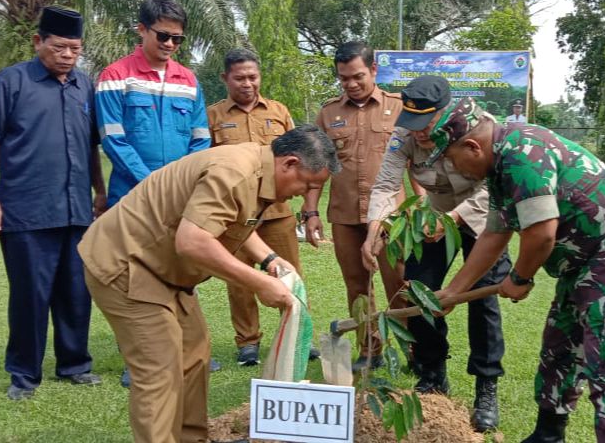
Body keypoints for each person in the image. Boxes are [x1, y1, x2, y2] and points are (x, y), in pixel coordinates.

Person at [78, 125, 339, 443]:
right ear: (290, 163)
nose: (303, 195)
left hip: (166, 272)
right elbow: (193, 242)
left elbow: (234, 220)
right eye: (308, 185)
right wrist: (259, 282)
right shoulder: (234, 172)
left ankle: (192, 438)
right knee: (160, 368)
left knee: (195, 353)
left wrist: (269, 259)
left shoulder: (259, 170)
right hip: (127, 263)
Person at [433, 110, 605, 442]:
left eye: (451, 159)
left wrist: (519, 278)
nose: (454, 169)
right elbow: (495, 234)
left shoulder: (522, 156)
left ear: (473, 146)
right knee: (559, 350)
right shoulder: (500, 164)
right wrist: (454, 291)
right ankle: (548, 436)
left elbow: (542, 234)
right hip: (584, 262)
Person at [0, 6, 106, 400]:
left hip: (76, 210)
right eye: (59, 46)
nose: (67, 55)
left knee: (77, 292)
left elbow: (92, 145)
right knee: (30, 295)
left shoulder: (84, 87)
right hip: (27, 210)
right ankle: (24, 375)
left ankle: (74, 365)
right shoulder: (11, 82)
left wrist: (98, 189)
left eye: (75, 49)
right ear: (37, 41)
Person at [362, 76, 509, 432]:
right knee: (419, 289)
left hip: (483, 218)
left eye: (426, 123)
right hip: (433, 219)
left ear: (445, 112)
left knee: (482, 297)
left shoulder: (482, 127)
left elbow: (495, 184)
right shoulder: (405, 133)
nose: (420, 133)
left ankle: (485, 386)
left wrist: (455, 218)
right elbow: (385, 184)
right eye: (413, 123)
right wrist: (374, 228)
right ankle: (433, 374)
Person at [96, 0, 216, 385]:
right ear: (141, 30)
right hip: (133, 197)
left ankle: (186, 350)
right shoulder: (115, 76)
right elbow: (113, 138)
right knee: (138, 280)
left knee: (180, 272)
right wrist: (153, 184)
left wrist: (185, 184)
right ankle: (140, 362)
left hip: (181, 198)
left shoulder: (189, 80)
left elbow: (201, 139)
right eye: (162, 36)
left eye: (177, 39)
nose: (169, 45)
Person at [302, 41, 406, 371]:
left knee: (399, 284)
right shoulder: (329, 113)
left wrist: (423, 208)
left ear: (374, 70)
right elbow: (317, 167)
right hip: (345, 215)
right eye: (344, 78)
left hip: (391, 217)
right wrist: (311, 211)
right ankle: (369, 348)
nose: (351, 84)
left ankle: (413, 352)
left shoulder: (399, 107)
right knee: (357, 286)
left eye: (358, 76)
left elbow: (416, 162)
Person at [206, 48, 303, 366]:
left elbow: (296, 157)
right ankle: (248, 342)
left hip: (276, 212)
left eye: (253, 77)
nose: (247, 84)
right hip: (236, 215)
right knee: (239, 278)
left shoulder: (278, 111)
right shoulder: (214, 116)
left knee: (290, 274)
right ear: (225, 78)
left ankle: (296, 334)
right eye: (240, 78)